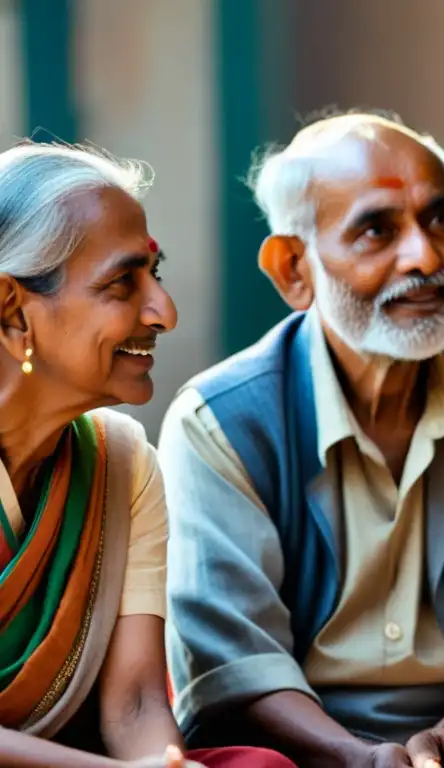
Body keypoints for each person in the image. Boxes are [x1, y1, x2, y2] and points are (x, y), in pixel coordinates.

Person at [158, 109, 444, 767]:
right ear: (294, 268)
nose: (427, 257)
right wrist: (356, 758)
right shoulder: (219, 420)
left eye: (439, 219)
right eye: (377, 230)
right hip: (296, 746)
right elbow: (234, 659)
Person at [0, 142, 294, 767]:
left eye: (154, 275)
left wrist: (164, 763)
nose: (164, 312)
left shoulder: (122, 460)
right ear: (11, 310)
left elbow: (134, 703)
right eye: (121, 283)